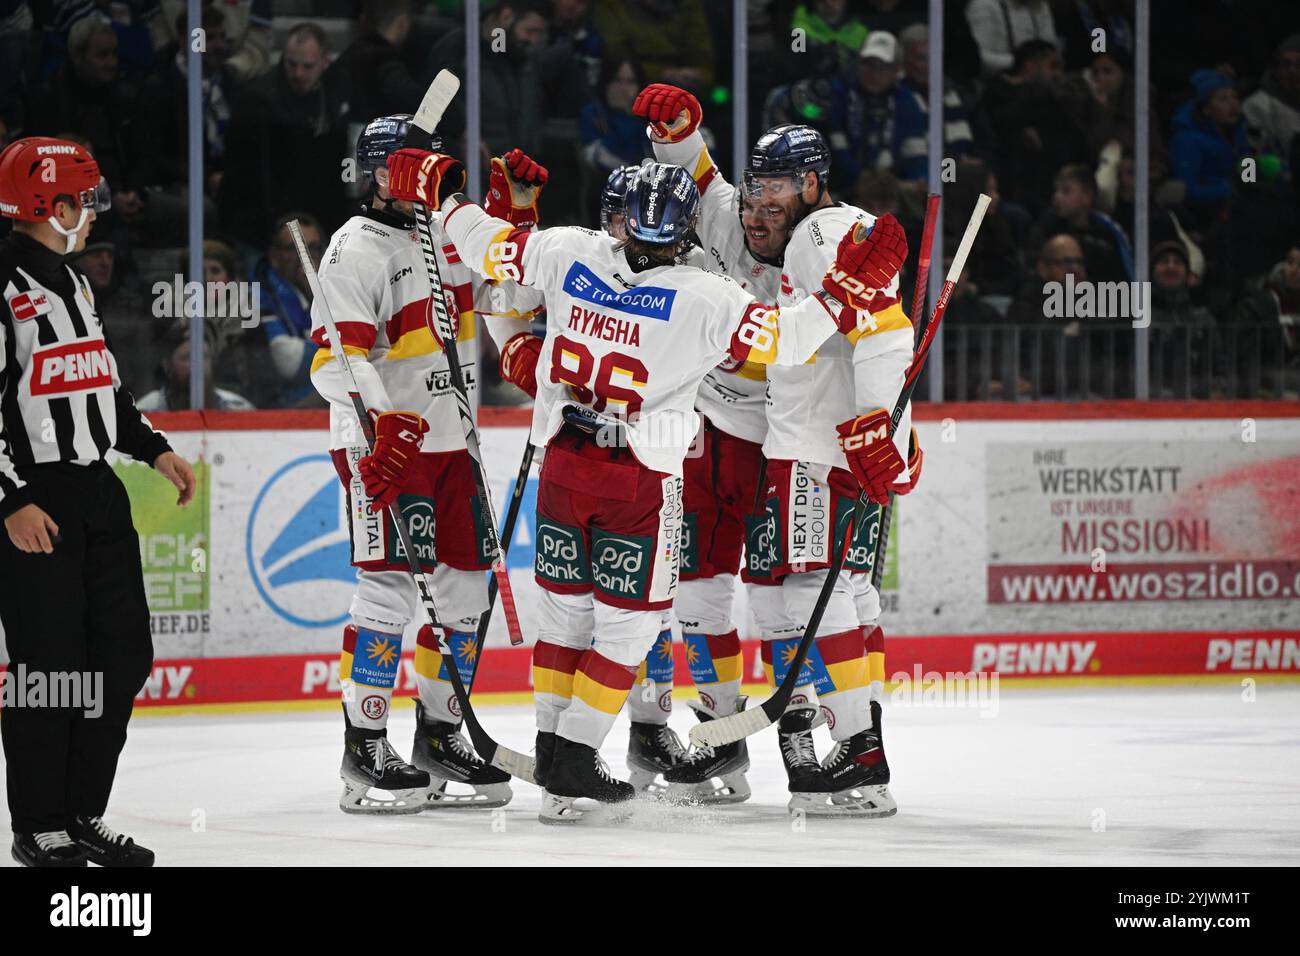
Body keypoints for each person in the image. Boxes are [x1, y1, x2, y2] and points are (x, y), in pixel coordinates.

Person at [385, 145, 900, 822]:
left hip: (562, 470)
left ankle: (552, 744)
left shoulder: (569, 250)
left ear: (619, 218)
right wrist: (848, 291)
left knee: (565, 616)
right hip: (638, 482)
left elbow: (490, 252)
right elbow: (792, 339)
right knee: (628, 630)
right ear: (683, 231)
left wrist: (444, 195)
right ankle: (572, 754)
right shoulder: (707, 296)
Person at [636, 85, 918, 817]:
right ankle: (735, 739)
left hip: (802, 439)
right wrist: (676, 132)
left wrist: (875, 426)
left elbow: (881, 329)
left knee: (816, 589)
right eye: (753, 196)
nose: (757, 213)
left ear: (813, 186)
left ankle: (847, 741)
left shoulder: (819, 235)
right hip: (726, 424)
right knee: (710, 582)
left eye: (776, 196)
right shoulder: (747, 214)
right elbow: (699, 178)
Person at [309, 116, 542, 814]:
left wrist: (519, 216)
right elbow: (332, 361)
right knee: (388, 594)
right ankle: (364, 747)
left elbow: (511, 297)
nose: (426, 177)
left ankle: (440, 734)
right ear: (380, 176)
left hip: (453, 446)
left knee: (467, 595)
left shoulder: (448, 233)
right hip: (384, 446)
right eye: (410, 167)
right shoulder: (355, 249)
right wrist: (385, 422)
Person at [0, 136, 196, 867]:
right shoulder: (4, 288)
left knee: (122, 654)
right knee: (49, 668)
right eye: (84, 200)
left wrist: (154, 449)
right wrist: (10, 501)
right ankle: (38, 823)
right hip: (35, 501)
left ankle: (82, 812)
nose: (94, 214)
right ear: (52, 206)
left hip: (98, 496)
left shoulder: (76, 284)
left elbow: (103, 390)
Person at [135, 320, 255, 412]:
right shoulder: (146, 412)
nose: (197, 366)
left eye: (204, 356)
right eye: (186, 357)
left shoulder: (238, 410)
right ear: (167, 366)